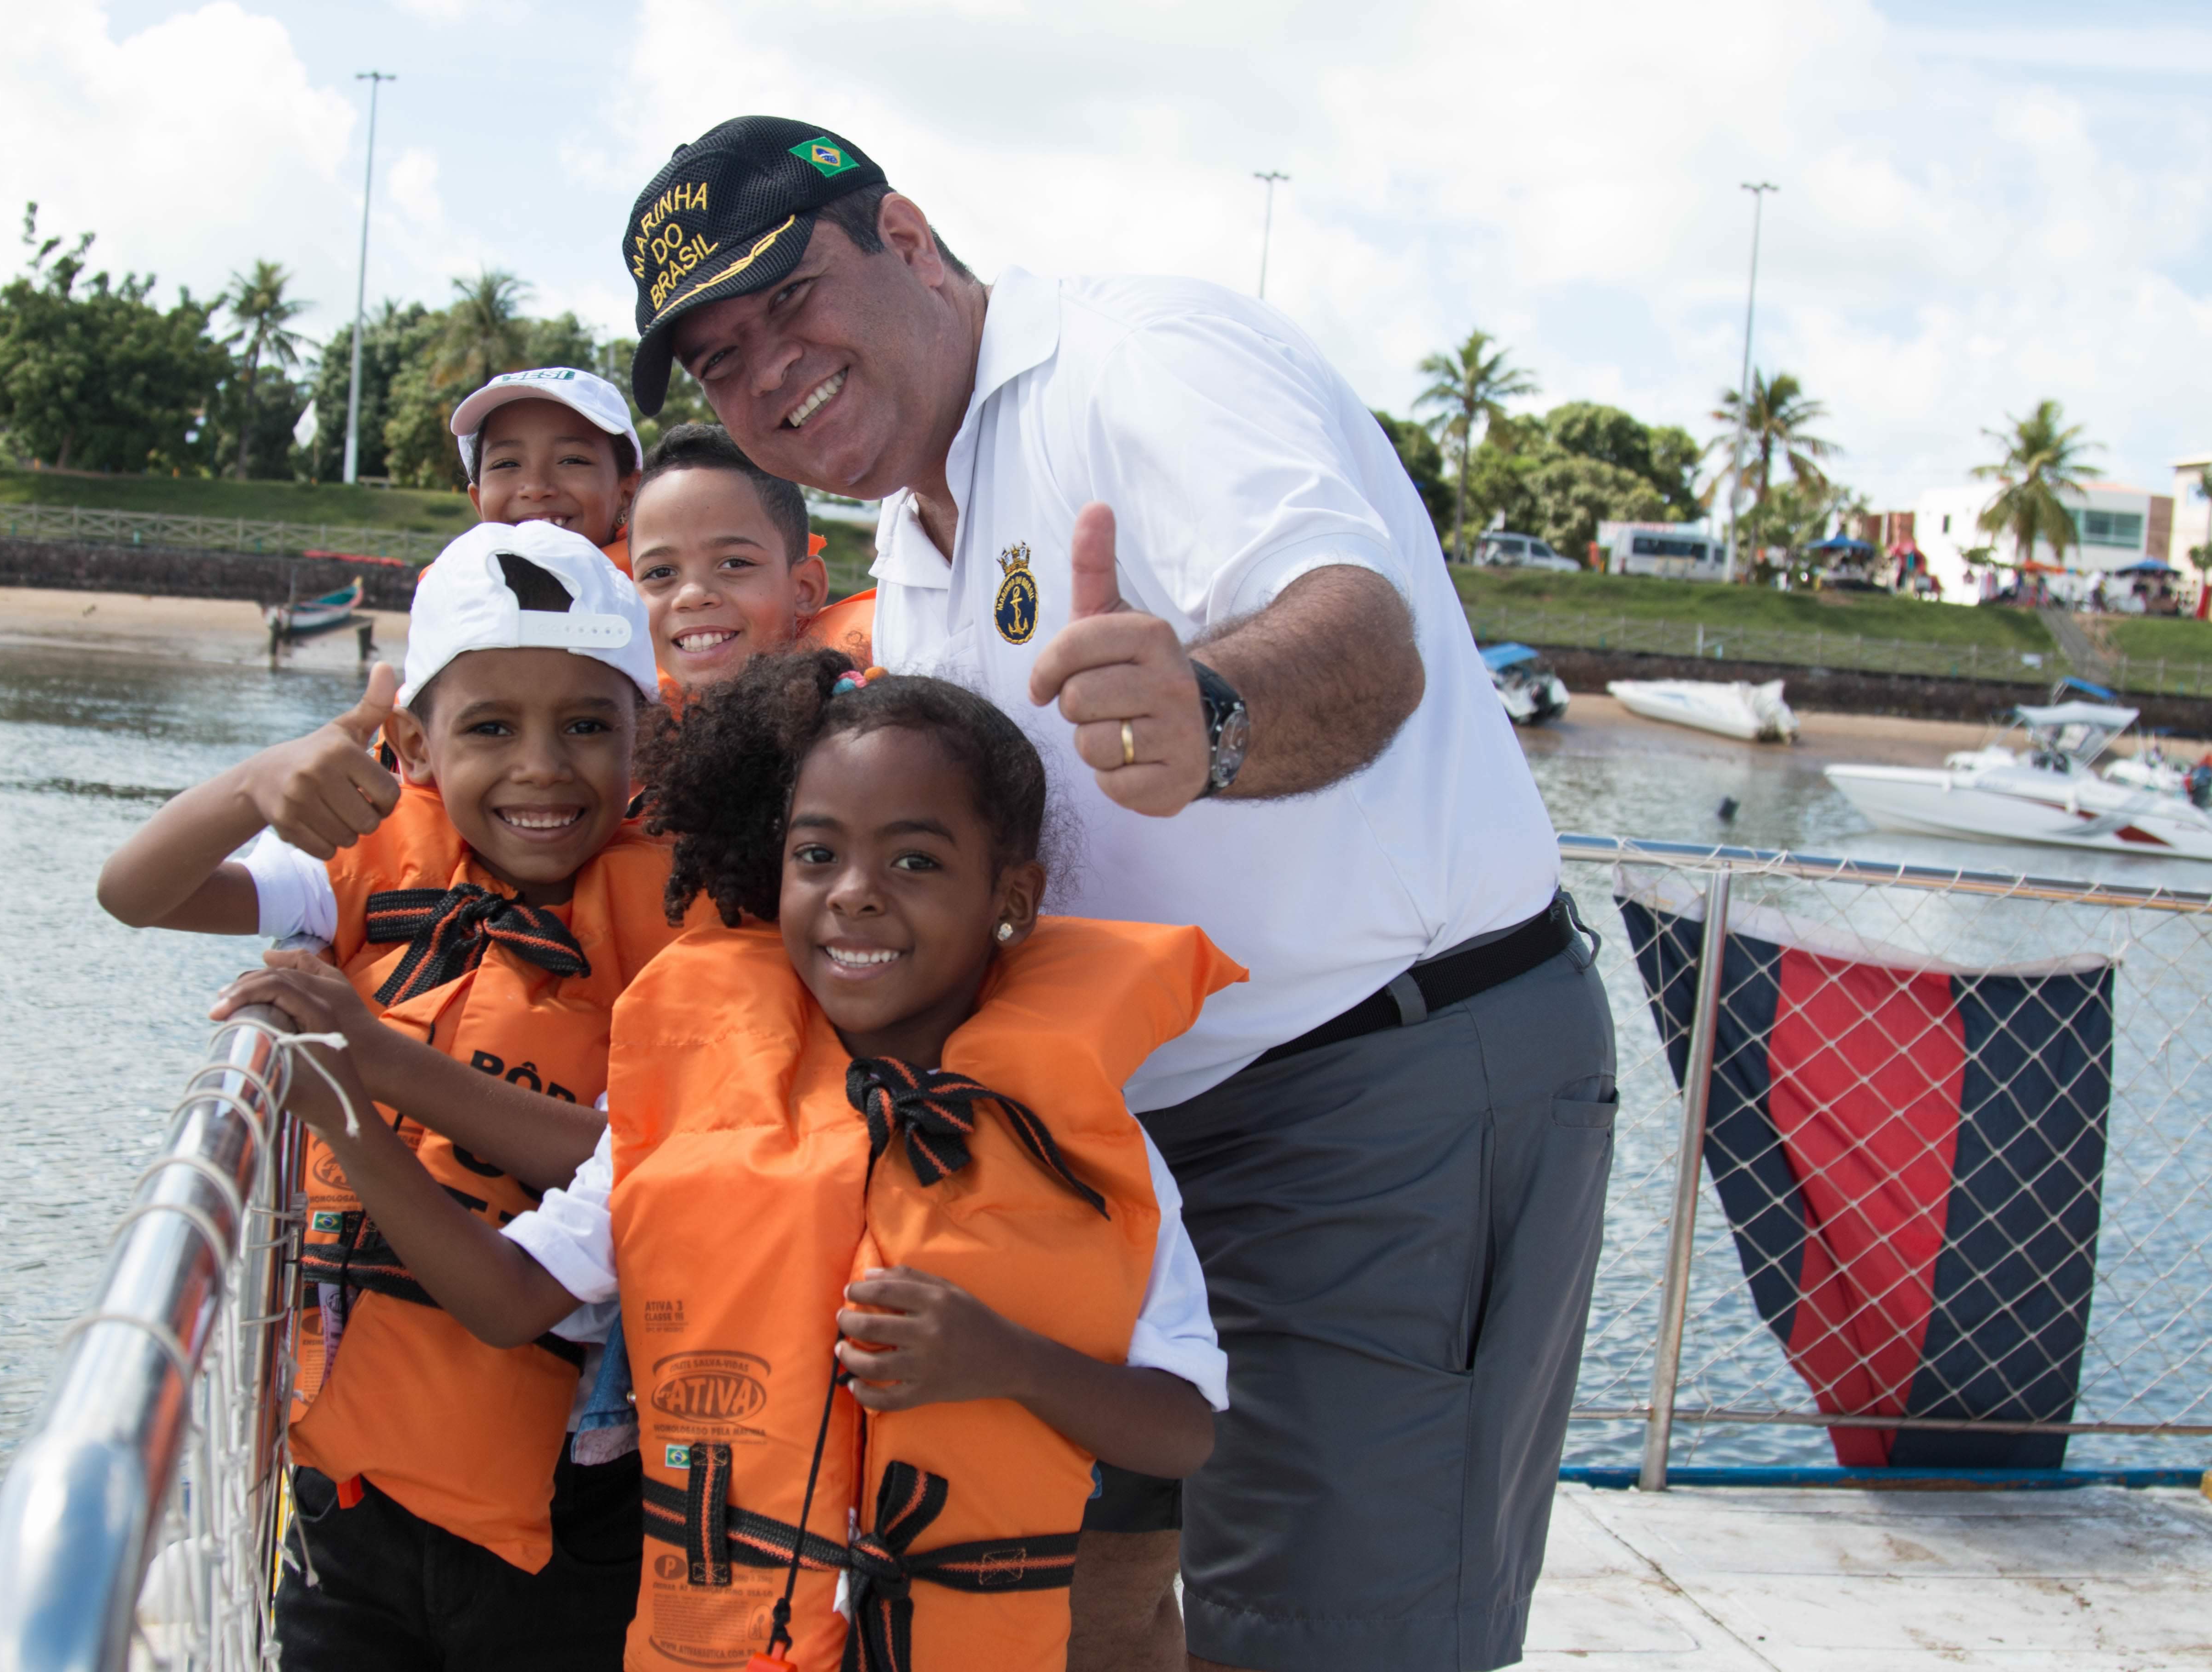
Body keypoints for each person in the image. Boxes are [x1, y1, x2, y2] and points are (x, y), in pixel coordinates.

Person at [611, 118, 1618, 1672]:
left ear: (908, 238)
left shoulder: (1139, 360)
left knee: (1332, 1632)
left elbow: (1361, 631)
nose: (767, 374)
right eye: (721, 359)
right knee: (1067, 1602)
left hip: (1378, 1093)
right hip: (1125, 1135)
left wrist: (1210, 714)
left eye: (788, 300)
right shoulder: (913, 527)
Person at [220, 649, 1237, 1672]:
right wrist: (346, 1099)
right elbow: (506, 1296)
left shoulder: (1085, 1146)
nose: (856, 896)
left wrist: (1009, 1361)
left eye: (916, 862)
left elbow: (1181, 1427)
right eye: (817, 856)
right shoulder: (691, 1104)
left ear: (1012, 895)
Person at [97, 521, 680, 1671]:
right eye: (489, 729)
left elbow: (648, 1161)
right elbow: (137, 890)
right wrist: (258, 781)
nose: (541, 768)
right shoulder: (368, 864)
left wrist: (373, 1059)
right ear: (412, 742)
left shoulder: (682, 923)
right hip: (347, 1500)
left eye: (584, 727)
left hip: (570, 1510)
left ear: (642, 739)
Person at [626, 421, 875, 690]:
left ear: (805, 588)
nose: (692, 596)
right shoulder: (614, 718)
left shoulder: (867, 716)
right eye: (660, 573)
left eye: (734, 564)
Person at [451, 366, 642, 570]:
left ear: (627, 496)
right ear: (478, 502)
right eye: (507, 464)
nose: (536, 489)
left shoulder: (663, 598)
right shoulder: (445, 597)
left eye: (571, 461)